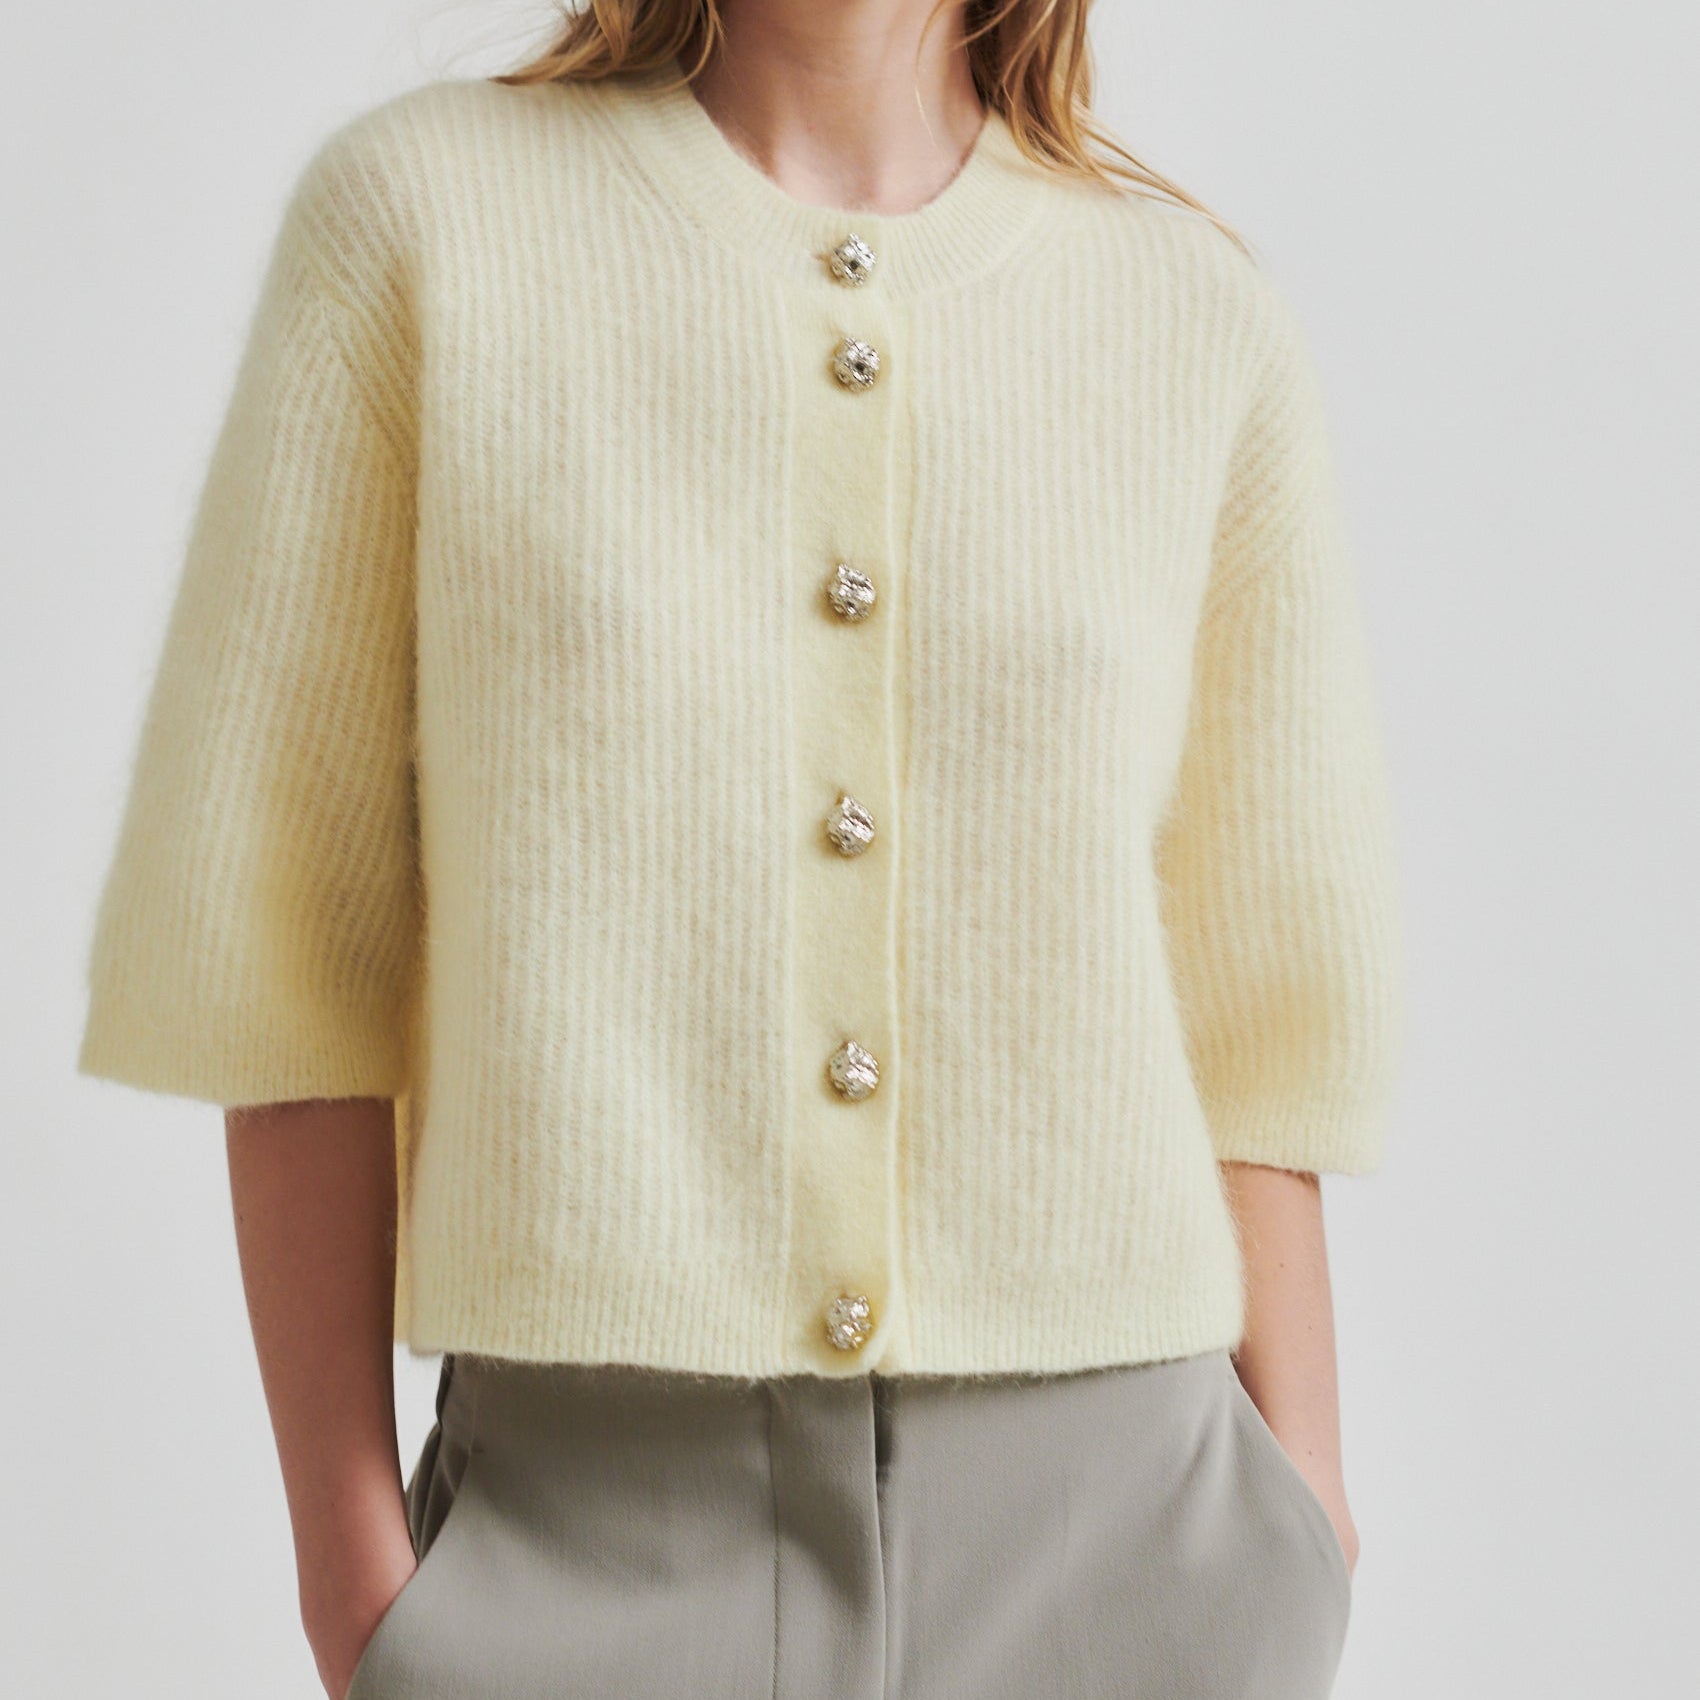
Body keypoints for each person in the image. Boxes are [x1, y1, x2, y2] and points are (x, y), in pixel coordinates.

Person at [76, 3, 1405, 1696]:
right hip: (581, 1548)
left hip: (1130, 1546)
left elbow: (1259, 1024)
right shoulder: (421, 230)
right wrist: (360, 1584)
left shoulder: (1193, 317)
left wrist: (1302, 1515)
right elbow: (278, 965)